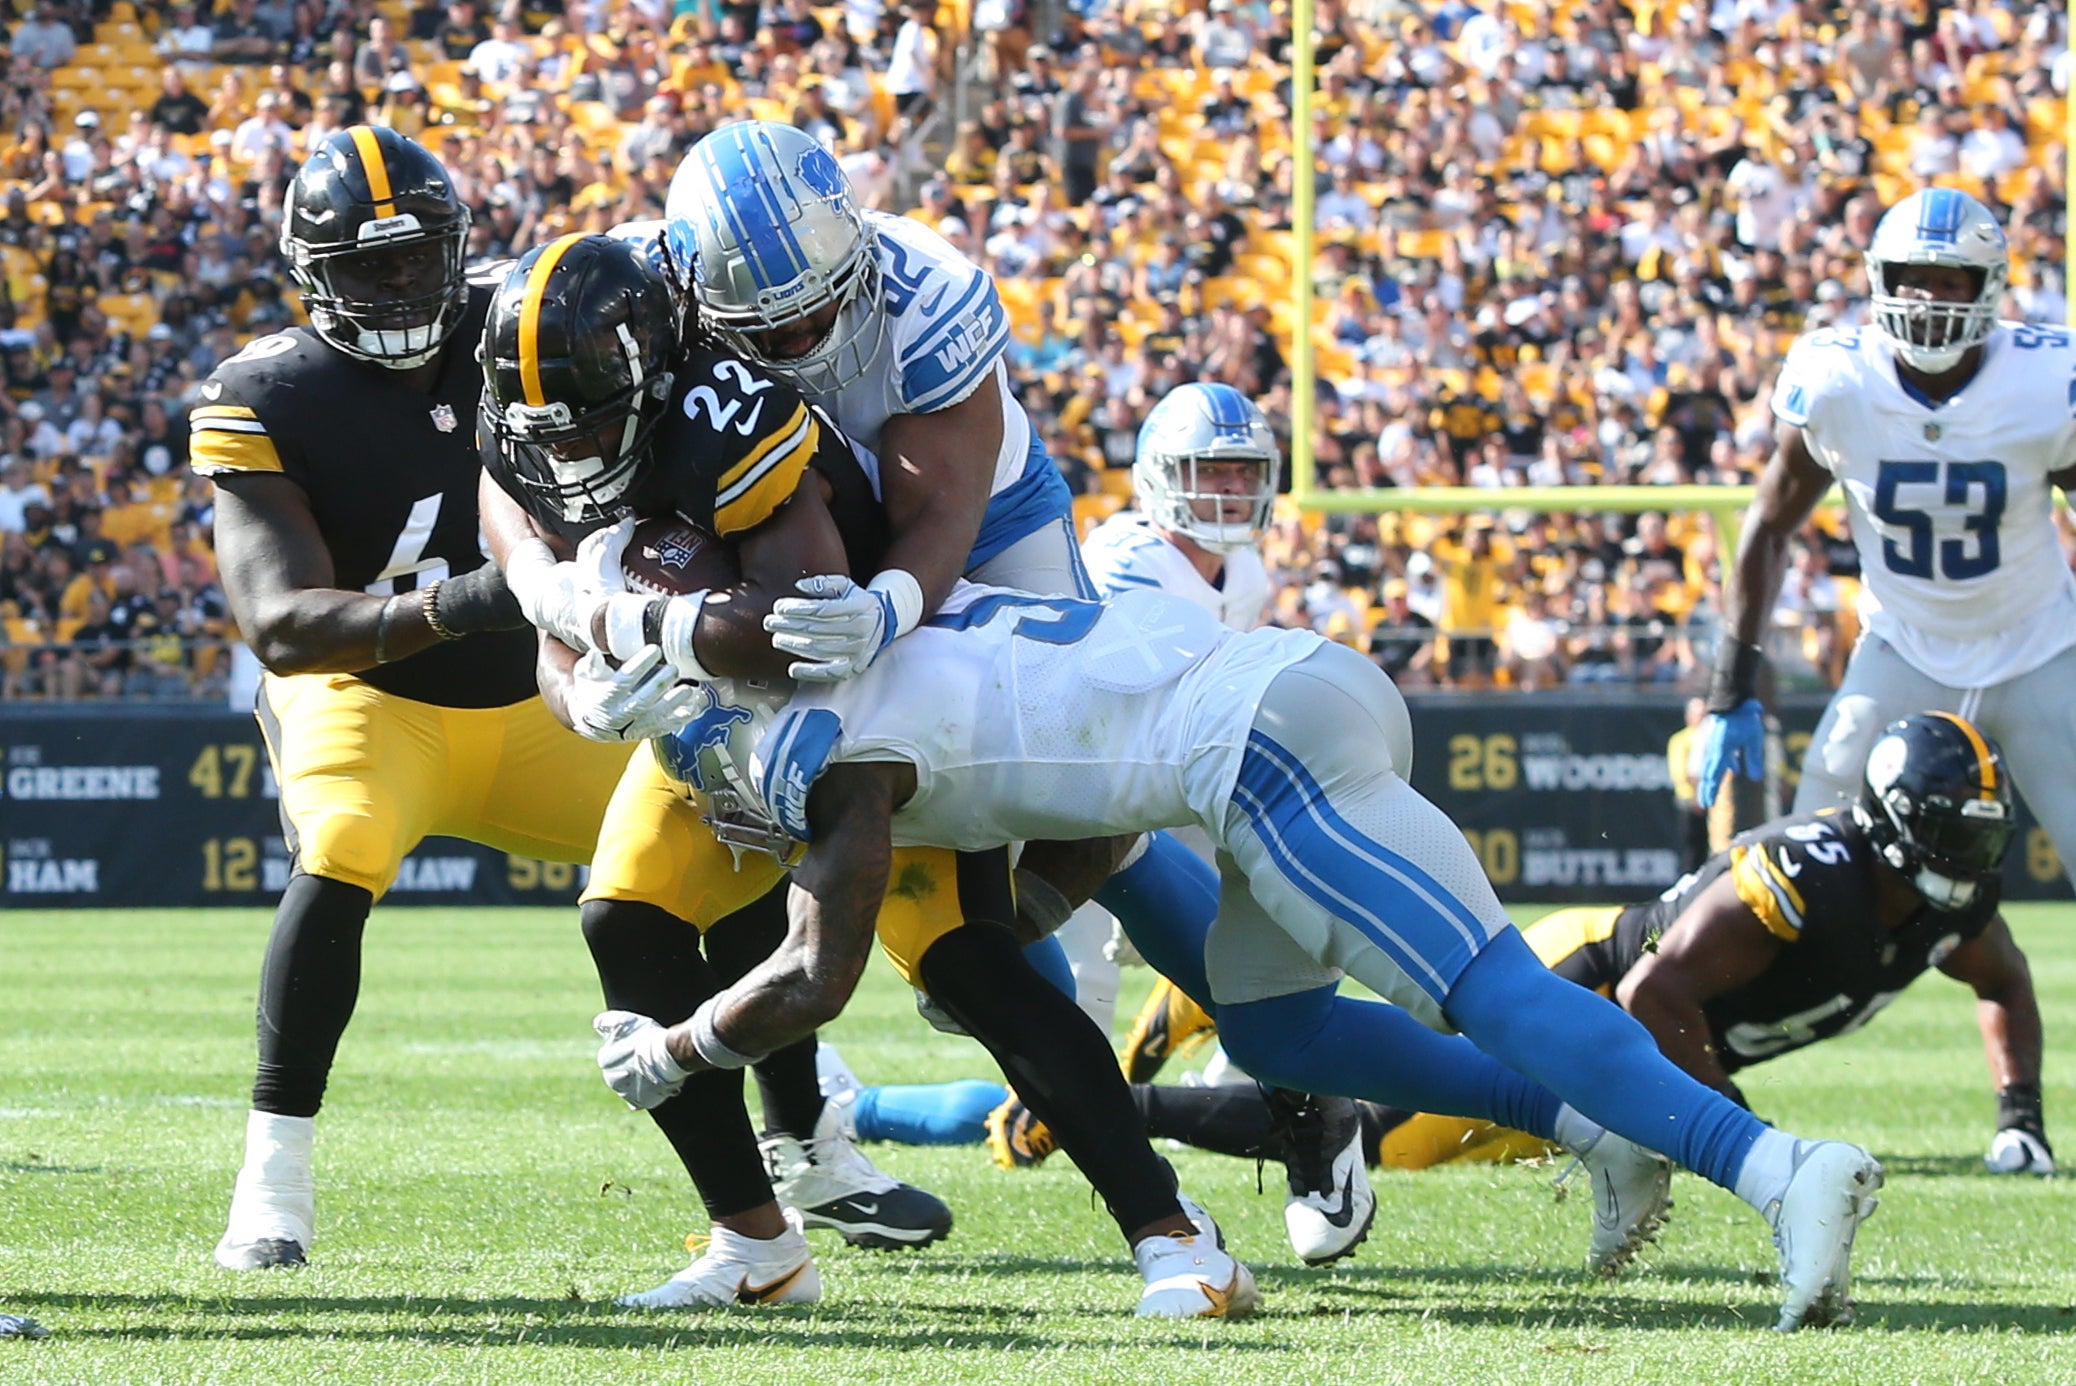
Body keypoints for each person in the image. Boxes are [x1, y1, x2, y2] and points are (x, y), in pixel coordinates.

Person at [592, 569, 1887, 1333]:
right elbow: (1087, 818)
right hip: (1273, 706)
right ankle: (1600, 1123)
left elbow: (816, 972)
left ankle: (1780, 1166)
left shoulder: (836, 752)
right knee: (1280, 1030)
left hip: (1260, 745)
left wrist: (679, 1043)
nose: (735, 817)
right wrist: (1018, 929)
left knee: (1488, 982)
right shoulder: (917, 634)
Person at [477, 235, 1249, 1319]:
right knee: (626, 926)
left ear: (648, 379)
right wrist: (574, 686)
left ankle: (1178, 1238)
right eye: (546, 429)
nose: (572, 451)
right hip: (703, 721)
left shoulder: (722, 414)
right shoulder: (534, 401)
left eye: (595, 426)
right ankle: (756, 1244)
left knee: (971, 972)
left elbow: (795, 629)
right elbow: (519, 530)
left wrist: (613, 615)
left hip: (852, 700)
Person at [645, 118, 1241, 1134]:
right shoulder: (643, 294)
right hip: (805, 532)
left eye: (814, 317)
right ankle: (971, 1032)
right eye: (766, 332)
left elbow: (938, 520)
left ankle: (1256, 1057)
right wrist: (586, 610)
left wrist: (887, 608)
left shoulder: (931, 288)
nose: (797, 347)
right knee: (803, 803)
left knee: (1097, 798)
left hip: (982, 521)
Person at [195, 128, 634, 1270]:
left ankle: (808, 1136)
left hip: (538, 700)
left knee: (716, 827)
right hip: (368, 697)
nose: (397, 286)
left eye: (415, 257)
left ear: (459, 247)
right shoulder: (267, 393)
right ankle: (271, 1186)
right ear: (310, 272)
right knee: (339, 847)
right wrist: (475, 602)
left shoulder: (522, 325)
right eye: (366, 265)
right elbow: (281, 626)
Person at [1005, 713, 2048, 1179]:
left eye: (1983, 833)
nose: (1973, 854)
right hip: (1583, 982)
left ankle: (1210, 1009)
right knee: (1366, 1133)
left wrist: (2021, 1120)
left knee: (1408, 1141)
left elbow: (2003, 978)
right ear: (1895, 819)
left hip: (1638, 1038)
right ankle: (1116, 1099)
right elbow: (1650, 991)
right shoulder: (1807, 878)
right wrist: (1719, 1126)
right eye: (1956, 829)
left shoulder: (1944, 906)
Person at [1700, 187, 2076, 925]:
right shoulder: (1840, 378)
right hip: (1903, 649)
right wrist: (1730, 687)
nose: (1927, 297)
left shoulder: (2040, 382)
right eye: (1911, 276)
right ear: (1879, 278)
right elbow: (1770, 527)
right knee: (1801, 864)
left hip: (2040, 649)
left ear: (1987, 287)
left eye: (1948, 280)